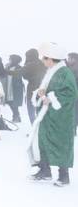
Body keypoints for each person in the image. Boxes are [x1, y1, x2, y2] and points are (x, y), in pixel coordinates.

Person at [28, 42, 77, 187]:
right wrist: (40, 93)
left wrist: (51, 97)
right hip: (47, 116)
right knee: (43, 141)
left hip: (61, 117)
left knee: (62, 143)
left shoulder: (64, 72)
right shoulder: (52, 70)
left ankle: (64, 175)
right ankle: (45, 170)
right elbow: (46, 89)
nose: (42, 61)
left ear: (51, 58)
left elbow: (71, 93)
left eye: (44, 58)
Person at [21, 48, 46, 124]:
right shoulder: (42, 63)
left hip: (32, 88)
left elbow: (24, 75)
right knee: (40, 110)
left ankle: (35, 128)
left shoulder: (30, 64)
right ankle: (39, 128)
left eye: (27, 56)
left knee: (31, 109)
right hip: (42, 89)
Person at [4, 54, 25, 123]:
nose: (9, 60)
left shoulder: (19, 68)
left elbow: (19, 76)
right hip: (8, 86)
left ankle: (16, 117)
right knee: (10, 102)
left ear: (14, 60)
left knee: (14, 103)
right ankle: (16, 116)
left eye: (10, 59)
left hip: (15, 88)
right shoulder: (8, 67)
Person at [67, 53, 78, 135]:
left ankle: (73, 129)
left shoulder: (75, 68)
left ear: (74, 59)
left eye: (69, 58)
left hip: (74, 93)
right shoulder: (73, 67)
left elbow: (70, 79)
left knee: (73, 111)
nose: (68, 60)